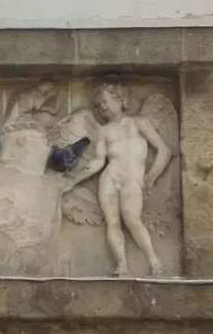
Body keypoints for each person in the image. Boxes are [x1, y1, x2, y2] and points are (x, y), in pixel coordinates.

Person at [67, 83, 172, 276]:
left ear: (120, 99)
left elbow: (164, 150)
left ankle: (154, 260)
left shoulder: (139, 123)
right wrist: (74, 179)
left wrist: (151, 177)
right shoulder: (104, 131)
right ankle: (121, 264)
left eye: (105, 101)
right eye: (99, 105)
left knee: (132, 219)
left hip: (132, 179)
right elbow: (99, 161)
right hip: (110, 178)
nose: (102, 107)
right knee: (113, 223)